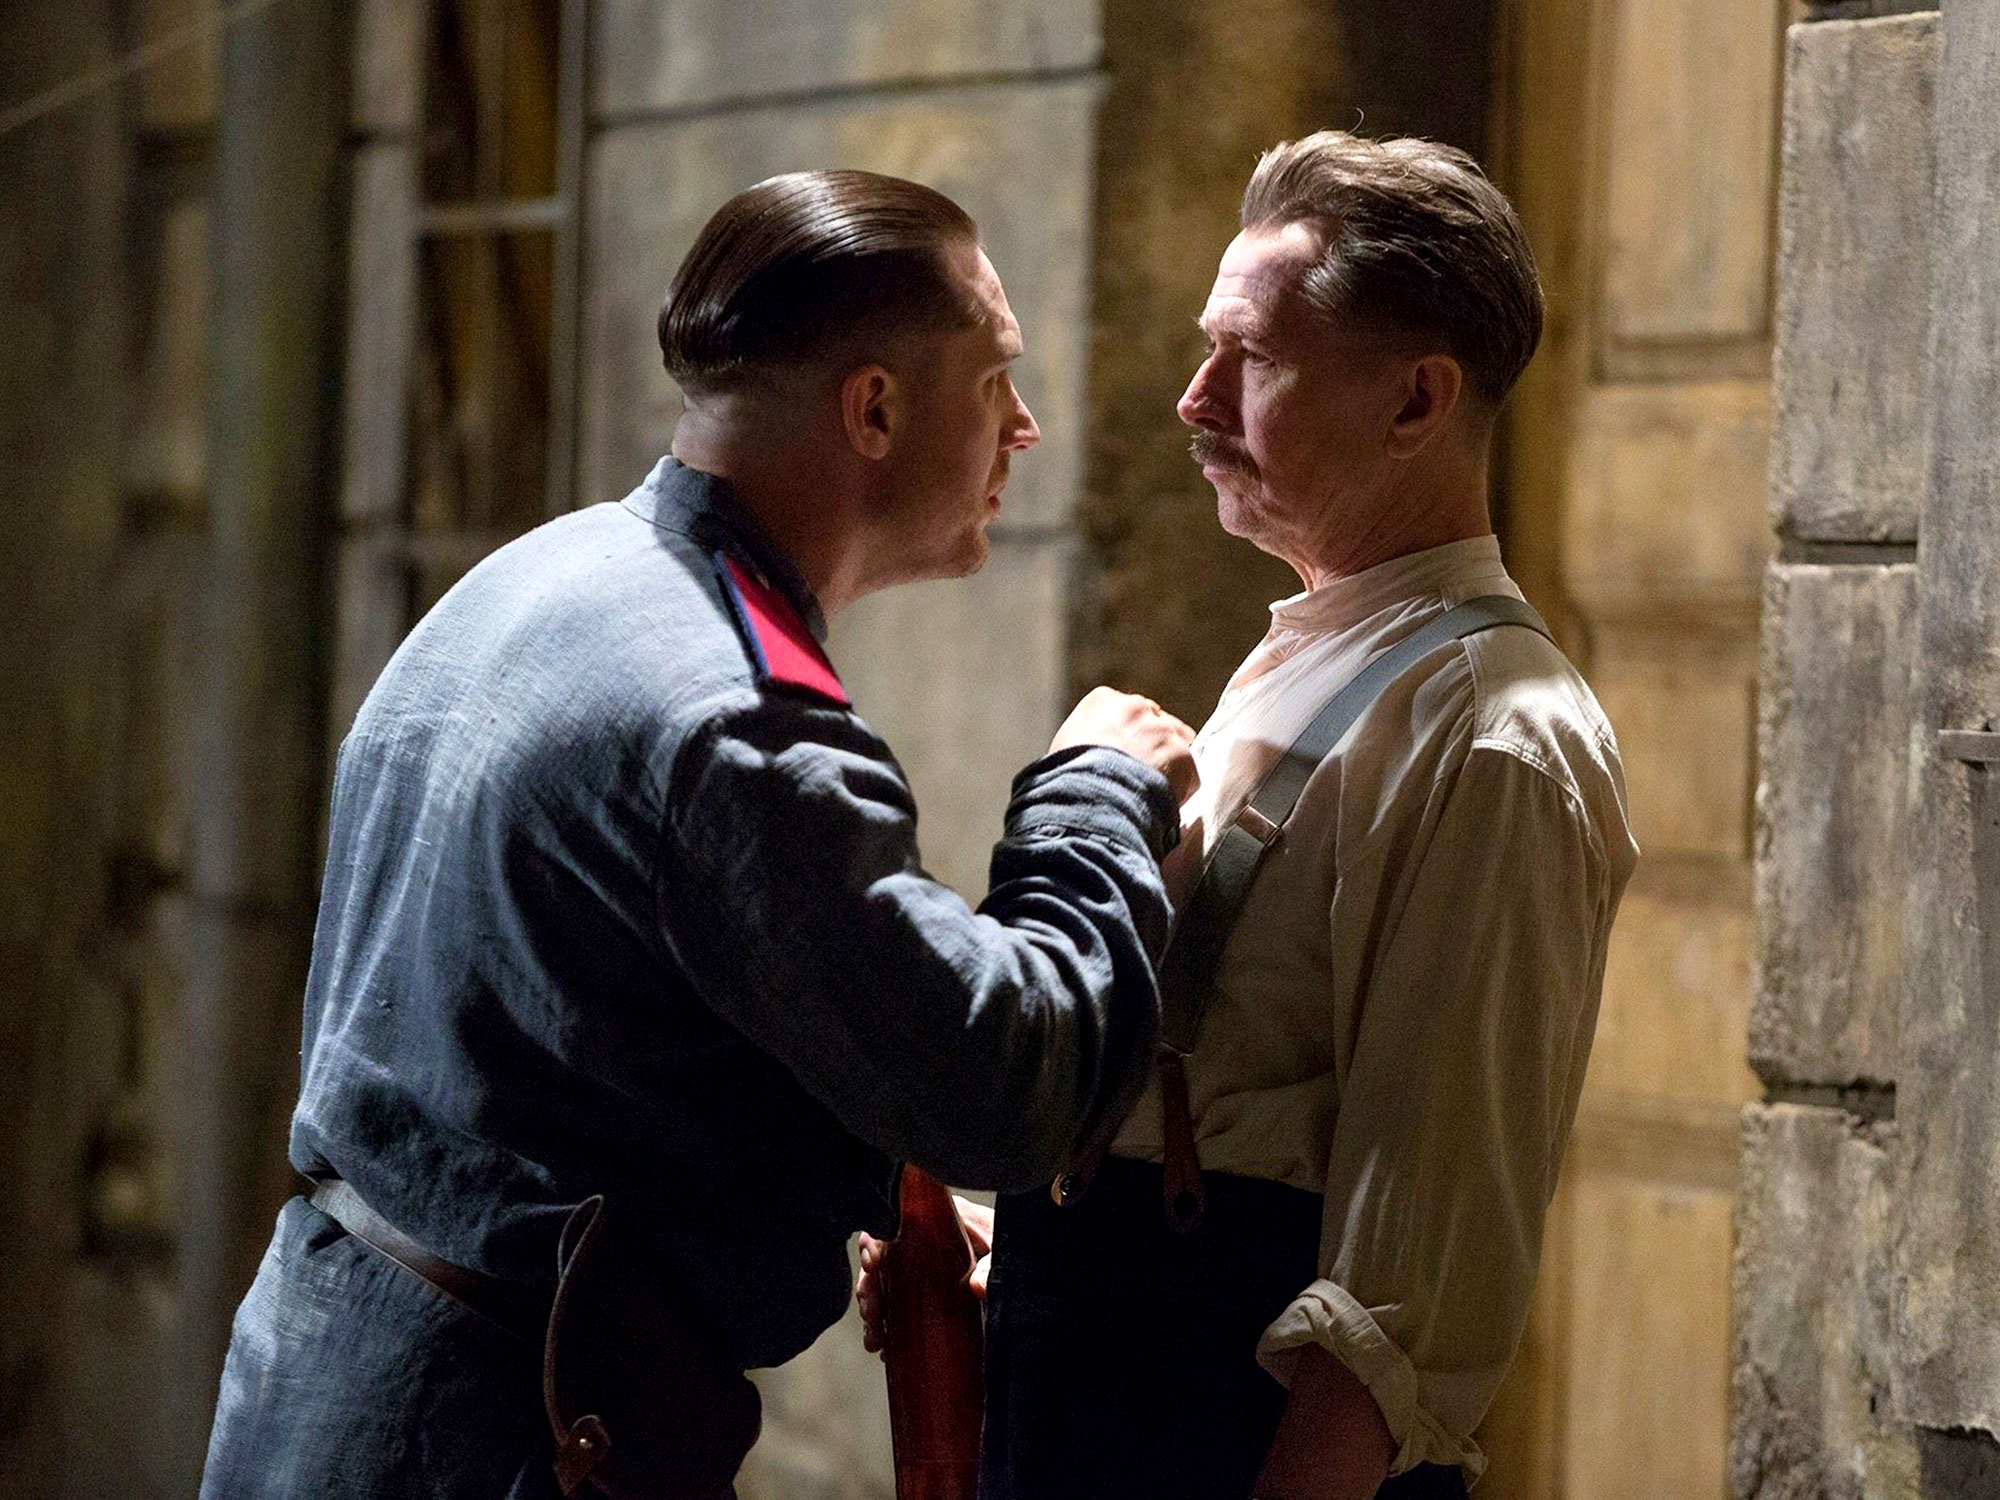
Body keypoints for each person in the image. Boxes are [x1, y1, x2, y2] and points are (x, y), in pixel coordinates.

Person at [198, 169, 1199, 1500]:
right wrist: (1097, 797)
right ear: (875, 408)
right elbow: (1001, 1090)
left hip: (332, 1386)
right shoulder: (733, 722)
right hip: (506, 1440)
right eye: (994, 378)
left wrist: (839, 1172)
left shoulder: (536, 582)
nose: (1025, 425)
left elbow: (589, 1032)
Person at [860, 131, 1638, 1500]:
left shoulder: (1496, 735)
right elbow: (1238, 1092)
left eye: (1252, 357)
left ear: (1418, 400)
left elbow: (1409, 1298)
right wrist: (1019, 1251)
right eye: (1206, 349)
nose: (1194, 398)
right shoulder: (1320, 652)